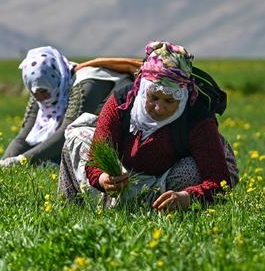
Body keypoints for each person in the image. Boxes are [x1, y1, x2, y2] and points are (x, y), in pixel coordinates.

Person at [79, 41, 238, 212]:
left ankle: (167, 211)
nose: (159, 108)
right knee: (78, 139)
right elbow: (95, 158)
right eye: (153, 98)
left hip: (169, 186)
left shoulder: (196, 117)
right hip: (125, 180)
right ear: (143, 89)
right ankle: (75, 203)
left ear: (182, 94)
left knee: (191, 170)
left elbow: (219, 179)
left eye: (169, 101)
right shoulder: (120, 103)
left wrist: (189, 197)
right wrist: (103, 178)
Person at [0, 47, 137, 167]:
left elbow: (67, 131)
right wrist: (4, 162)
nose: (40, 97)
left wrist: (22, 160)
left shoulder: (87, 85)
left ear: (55, 78)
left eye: (43, 92)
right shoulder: (44, 86)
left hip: (126, 135)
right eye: (35, 93)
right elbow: (25, 135)